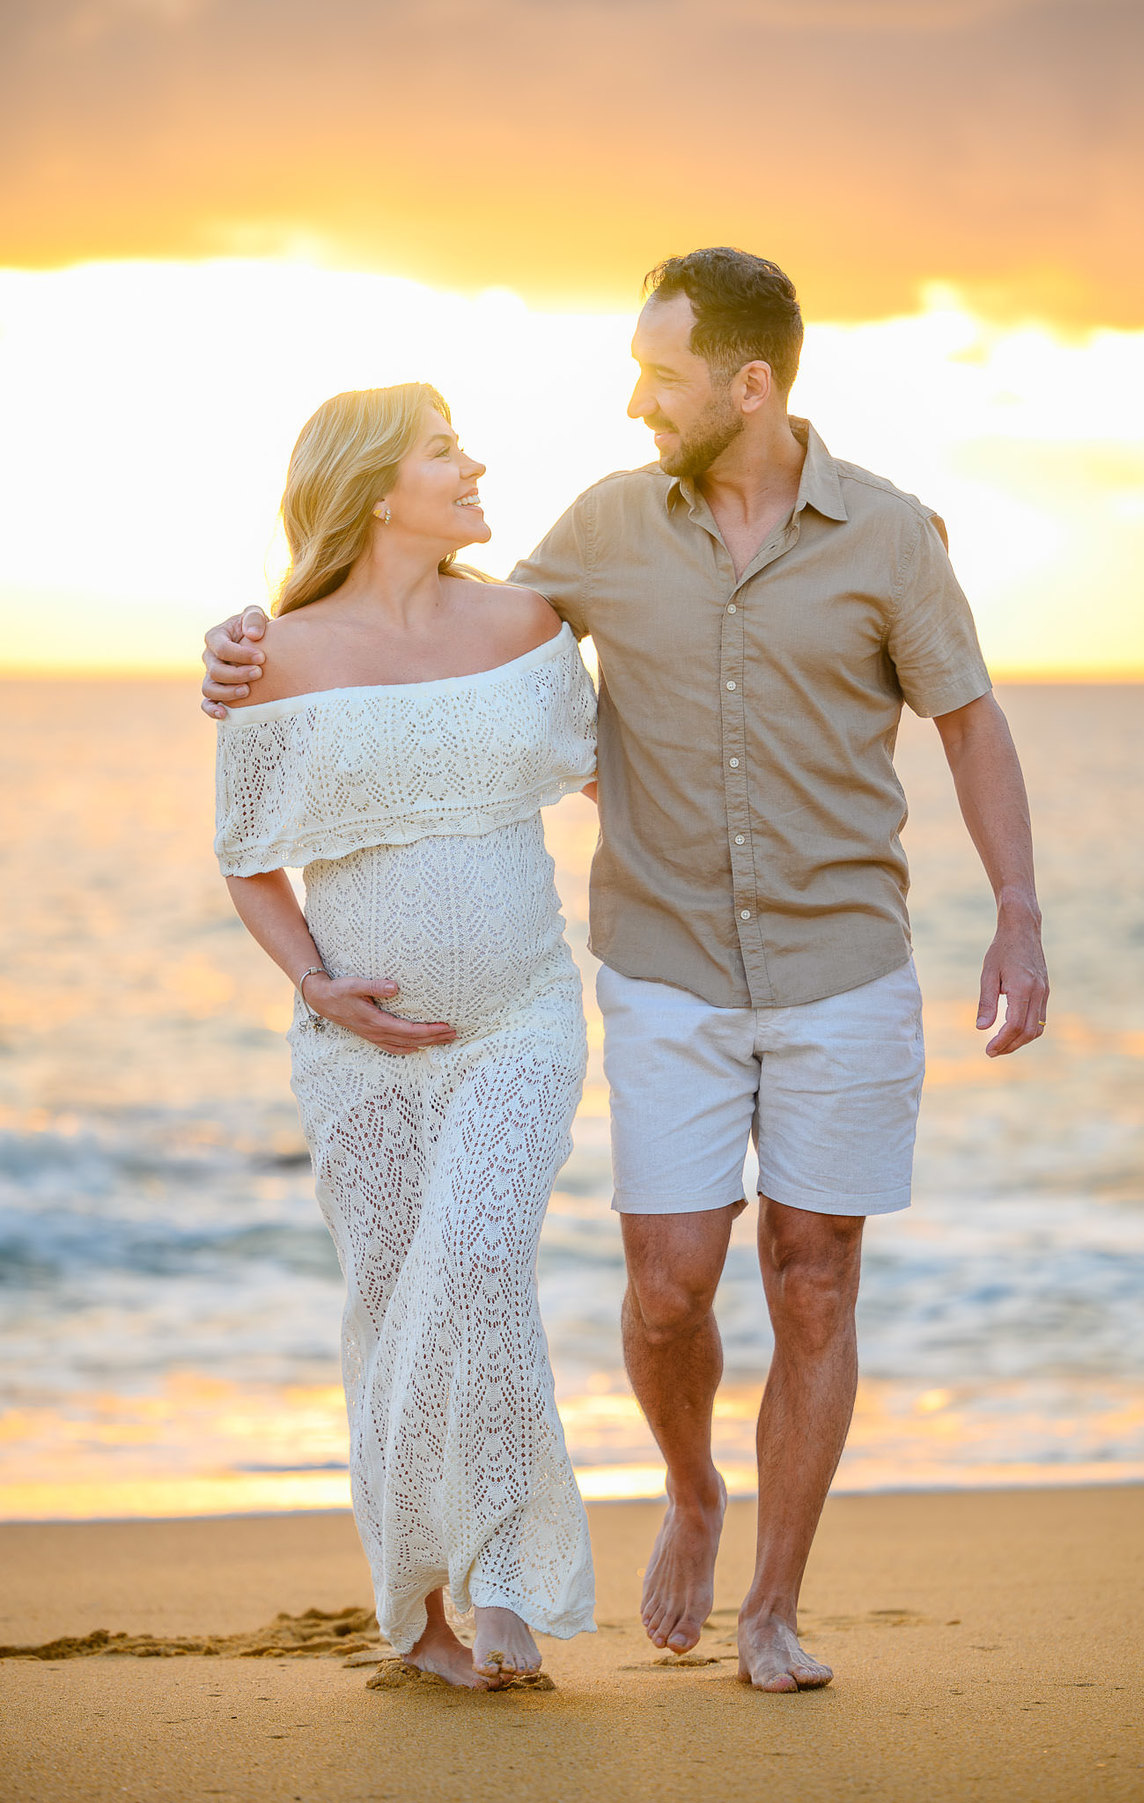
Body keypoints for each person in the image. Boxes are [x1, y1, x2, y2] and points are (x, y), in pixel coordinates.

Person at [202, 248, 1049, 1694]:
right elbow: (412, 679)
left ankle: (755, 1607)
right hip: (658, 970)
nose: (634, 402)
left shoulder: (893, 537)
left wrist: (1019, 914)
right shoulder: (596, 536)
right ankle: (657, 1497)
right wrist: (246, 644)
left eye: (659, 374)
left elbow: (966, 720)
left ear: (751, 382)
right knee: (661, 1292)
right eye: (638, 369)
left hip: (835, 958)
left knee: (813, 1275)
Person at [212, 382, 599, 1690]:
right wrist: (319, 985)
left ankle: (508, 1590)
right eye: (446, 452)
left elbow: (620, 770)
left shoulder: (532, 620)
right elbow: (250, 862)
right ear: (381, 486)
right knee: (390, 1304)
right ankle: (419, 1613)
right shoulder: (278, 653)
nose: (476, 464)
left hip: (522, 1019)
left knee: (479, 1266)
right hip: (357, 1047)